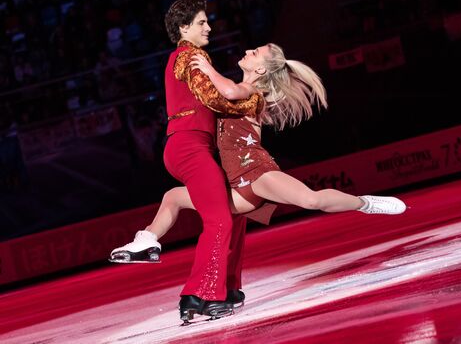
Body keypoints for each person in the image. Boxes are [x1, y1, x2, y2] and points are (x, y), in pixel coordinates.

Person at [111, 41, 407, 318]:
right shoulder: (236, 89)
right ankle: (146, 241)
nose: (249, 50)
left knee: (310, 199)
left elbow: (227, 92)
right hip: (235, 185)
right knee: (172, 197)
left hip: (256, 171)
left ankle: (366, 203)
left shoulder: (251, 93)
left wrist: (205, 66)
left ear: (261, 70)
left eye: (256, 52)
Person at [125, 0, 262, 324]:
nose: (209, 27)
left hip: (190, 146)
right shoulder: (191, 55)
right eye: (202, 23)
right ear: (184, 28)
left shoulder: (183, 57)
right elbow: (214, 97)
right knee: (220, 220)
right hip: (190, 147)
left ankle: (227, 288)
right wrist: (254, 101)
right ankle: (199, 295)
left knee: (234, 212)